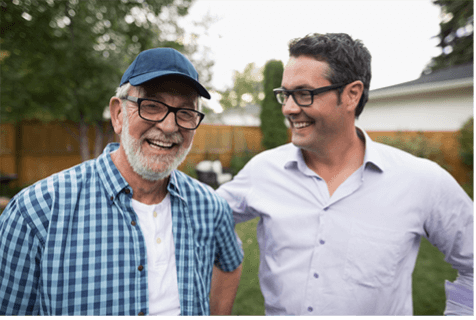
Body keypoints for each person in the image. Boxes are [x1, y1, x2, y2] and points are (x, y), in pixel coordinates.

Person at [216, 33, 474, 316]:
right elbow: (200, 218)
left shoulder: (421, 180)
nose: (289, 108)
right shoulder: (263, 170)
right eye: (285, 94)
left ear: (352, 94)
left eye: (304, 93)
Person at [0, 48, 243, 316]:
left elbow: (231, 262)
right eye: (152, 106)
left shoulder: (210, 206)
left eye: (185, 112)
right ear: (118, 114)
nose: (170, 126)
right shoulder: (36, 213)